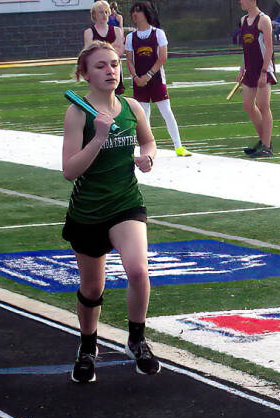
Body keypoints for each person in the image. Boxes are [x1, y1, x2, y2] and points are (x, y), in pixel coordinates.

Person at [61, 41, 161, 383]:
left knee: (138, 270)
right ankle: (88, 346)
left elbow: (149, 141)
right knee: (92, 289)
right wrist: (98, 138)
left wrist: (148, 157)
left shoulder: (132, 107)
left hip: (125, 202)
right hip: (88, 210)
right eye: (101, 66)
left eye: (114, 64)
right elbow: (69, 170)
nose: (110, 71)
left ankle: (137, 340)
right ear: (85, 74)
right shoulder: (78, 113)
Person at [125, 1, 191, 157]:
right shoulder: (130, 37)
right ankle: (148, 148)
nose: (135, 14)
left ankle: (178, 146)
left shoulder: (158, 33)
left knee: (166, 112)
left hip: (156, 80)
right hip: (139, 82)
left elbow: (162, 57)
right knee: (143, 115)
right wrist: (136, 77)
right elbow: (129, 60)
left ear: (146, 13)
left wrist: (148, 75)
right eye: (133, 11)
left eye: (138, 11)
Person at [237, 0, 276, 158]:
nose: (240, 1)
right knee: (247, 105)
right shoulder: (243, 20)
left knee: (263, 106)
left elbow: (269, 48)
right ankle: (264, 141)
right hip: (250, 69)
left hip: (262, 68)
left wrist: (264, 72)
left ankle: (266, 147)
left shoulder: (264, 20)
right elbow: (245, 48)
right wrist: (242, 68)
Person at [85, 0, 126, 94]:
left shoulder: (117, 31)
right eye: (101, 12)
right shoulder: (89, 32)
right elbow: (89, 54)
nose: (104, 15)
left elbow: (120, 51)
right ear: (94, 14)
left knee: (116, 98)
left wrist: (100, 49)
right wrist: (112, 47)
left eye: (106, 12)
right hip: (97, 73)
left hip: (114, 72)